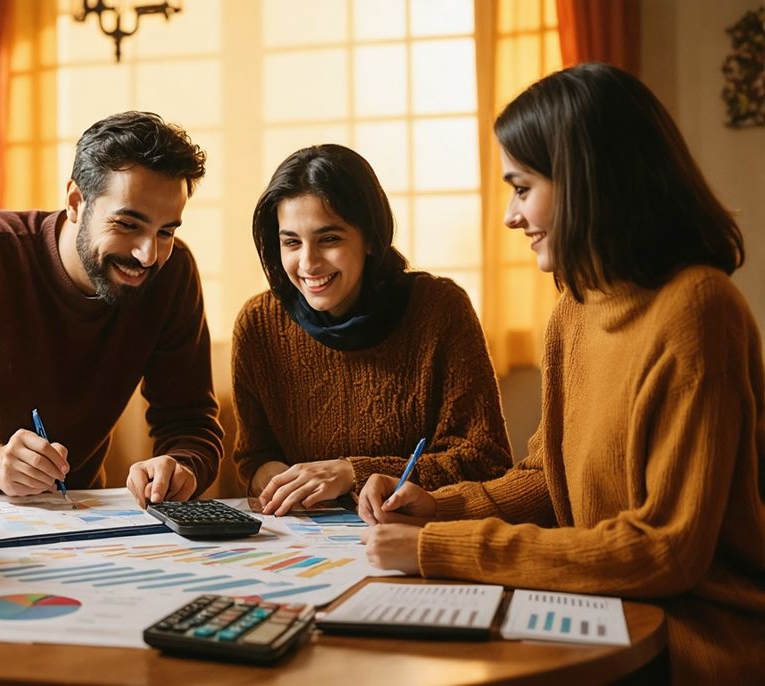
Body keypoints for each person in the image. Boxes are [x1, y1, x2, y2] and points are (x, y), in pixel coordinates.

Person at [357, 63, 765, 683]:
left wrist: (440, 549)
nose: (510, 217)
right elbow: (550, 479)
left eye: (521, 188)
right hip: (600, 612)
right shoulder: (574, 310)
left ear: (585, 182)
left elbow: (665, 550)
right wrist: (438, 507)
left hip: (690, 641)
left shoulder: (698, 309)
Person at [0, 111, 223, 508]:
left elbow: (191, 421)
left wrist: (181, 465)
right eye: (128, 225)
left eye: (166, 231)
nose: (148, 254)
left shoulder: (173, 274)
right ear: (76, 202)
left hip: (80, 511)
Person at [233, 144, 511, 516]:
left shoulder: (439, 310)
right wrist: (283, 482)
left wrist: (352, 472)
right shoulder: (258, 324)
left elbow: (486, 462)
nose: (308, 263)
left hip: (414, 537)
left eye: (329, 239)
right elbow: (255, 457)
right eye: (291, 242)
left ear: (370, 238)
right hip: (307, 540)